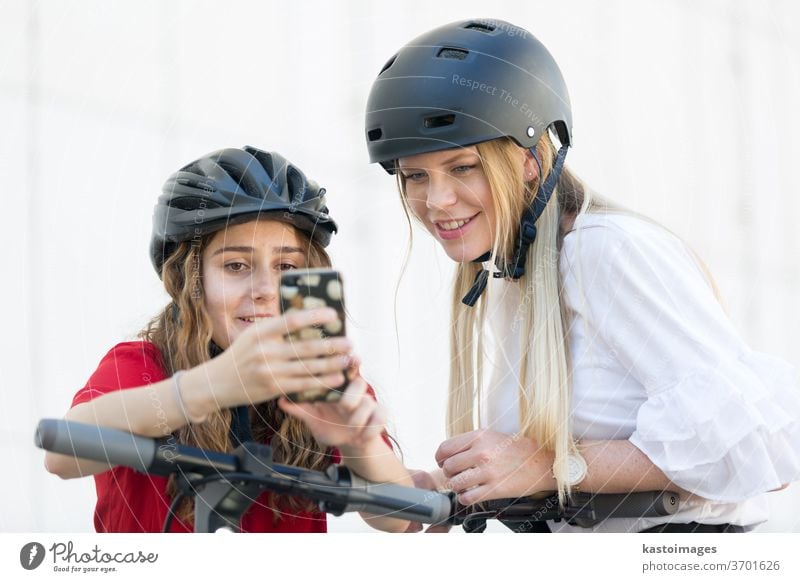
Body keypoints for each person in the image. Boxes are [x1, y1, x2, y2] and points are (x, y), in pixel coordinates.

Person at [364, 18, 800, 532]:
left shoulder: (604, 251)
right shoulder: (512, 276)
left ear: (528, 161)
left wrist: (548, 465)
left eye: (463, 167)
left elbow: (757, 446)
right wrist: (383, 459)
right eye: (416, 176)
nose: (436, 201)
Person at [44, 146, 413, 533]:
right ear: (190, 281)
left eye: (286, 266)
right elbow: (61, 454)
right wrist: (212, 387)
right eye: (236, 265)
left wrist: (358, 442)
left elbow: (400, 517)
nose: (267, 290)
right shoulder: (142, 365)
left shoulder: (321, 379)